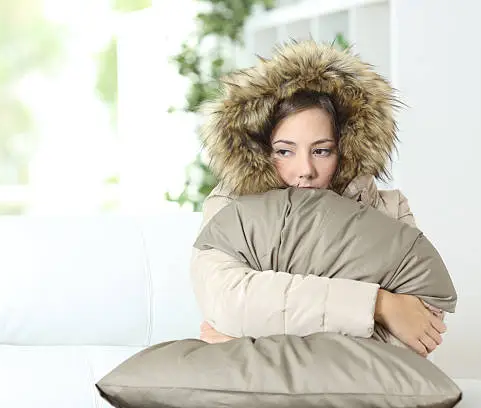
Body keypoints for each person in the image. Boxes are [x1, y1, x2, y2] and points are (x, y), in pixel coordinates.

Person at [190, 41, 446, 358]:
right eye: (285, 151)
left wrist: (253, 344)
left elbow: (411, 339)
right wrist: (378, 304)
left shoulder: (388, 209)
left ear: (345, 149)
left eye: (321, 150)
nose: (306, 170)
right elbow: (229, 303)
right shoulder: (230, 207)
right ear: (260, 149)